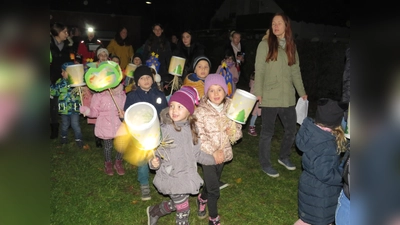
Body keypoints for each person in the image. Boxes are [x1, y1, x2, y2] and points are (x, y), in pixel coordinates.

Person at [146, 86, 224, 225]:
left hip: (186, 176)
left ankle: (155, 211)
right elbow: (154, 153)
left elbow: (197, 154)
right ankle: (158, 212)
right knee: (183, 209)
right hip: (172, 176)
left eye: (180, 107)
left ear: (189, 111)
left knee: (178, 204)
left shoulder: (193, 129)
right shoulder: (164, 130)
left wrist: (213, 160)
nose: (174, 110)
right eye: (172, 106)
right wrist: (153, 163)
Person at [254, 12, 307, 177]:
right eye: (273, 23)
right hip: (270, 95)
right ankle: (265, 163)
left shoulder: (291, 46)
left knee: (291, 130)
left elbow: (295, 71)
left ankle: (284, 157)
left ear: (286, 26)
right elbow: (260, 69)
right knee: (267, 132)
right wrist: (259, 92)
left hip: (288, 97)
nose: (275, 26)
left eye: (279, 23)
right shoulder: (265, 45)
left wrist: (302, 93)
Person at [194, 74, 243, 225]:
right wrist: (213, 152)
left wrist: (233, 132)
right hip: (207, 156)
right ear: (206, 93)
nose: (216, 94)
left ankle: (202, 199)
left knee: (211, 184)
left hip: (224, 154)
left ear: (225, 91)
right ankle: (213, 218)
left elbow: (239, 131)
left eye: (219, 90)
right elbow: (198, 136)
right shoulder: (200, 112)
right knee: (214, 189)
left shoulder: (232, 108)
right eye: (212, 90)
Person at [294, 98, 348, 225]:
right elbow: (325, 174)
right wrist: (343, 176)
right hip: (321, 192)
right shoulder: (327, 145)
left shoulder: (311, 132)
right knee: (320, 221)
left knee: (306, 220)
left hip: (309, 185)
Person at [123, 65, 168, 201]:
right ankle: (144, 183)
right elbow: (128, 115)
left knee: (161, 157)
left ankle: (164, 180)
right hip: (140, 135)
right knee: (143, 159)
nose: (146, 80)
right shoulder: (132, 97)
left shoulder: (159, 95)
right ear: (137, 82)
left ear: (153, 79)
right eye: (142, 78)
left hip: (157, 132)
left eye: (148, 77)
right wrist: (123, 116)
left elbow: (165, 112)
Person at [79, 84, 126, 176]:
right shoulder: (99, 95)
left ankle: (118, 161)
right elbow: (95, 111)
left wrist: (124, 114)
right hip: (105, 124)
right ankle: (108, 163)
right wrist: (87, 111)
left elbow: (125, 108)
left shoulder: (121, 95)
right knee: (108, 145)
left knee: (122, 144)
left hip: (119, 123)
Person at [50, 62, 84, 148]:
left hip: (74, 108)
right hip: (64, 108)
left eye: (63, 71)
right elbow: (55, 92)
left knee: (75, 124)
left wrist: (81, 90)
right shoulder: (60, 82)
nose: (61, 73)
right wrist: (50, 87)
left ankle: (79, 139)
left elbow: (82, 93)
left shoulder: (77, 82)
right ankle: (63, 139)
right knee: (64, 124)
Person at [81, 48, 110, 148]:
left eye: (105, 55)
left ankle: (105, 135)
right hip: (95, 93)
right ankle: (97, 138)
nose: (103, 57)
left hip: (106, 93)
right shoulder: (93, 66)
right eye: (101, 55)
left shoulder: (110, 67)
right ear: (98, 56)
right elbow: (88, 77)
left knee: (104, 115)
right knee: (96, 115)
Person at [50, 22, 75, 139]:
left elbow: (69, 63)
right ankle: (52, 126)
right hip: (49, 77)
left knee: (60, 102)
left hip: (62, 79)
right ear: (57, 32)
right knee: (50, 104)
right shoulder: (49, 44)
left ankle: (61, 125)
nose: (67, 34)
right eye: (64, 32)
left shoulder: (67, 46)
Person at [142, 23, 172, 94]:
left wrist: (169, 73)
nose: (157, 31)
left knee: (162, 91)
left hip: (163, 71)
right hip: (152, 70)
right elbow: (144, 55)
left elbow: (169, 57)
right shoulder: (149, 42)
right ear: (153, 31)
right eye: (156, 29)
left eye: (159, 29)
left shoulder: (166, 43)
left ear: (162, 30)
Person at [248, 71, 261, 136]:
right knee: (254, 114)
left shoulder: (256, 83)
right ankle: (251, 127)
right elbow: (253, 93)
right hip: (255, 102)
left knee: (257, 114)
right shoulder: (254, 84)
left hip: (259, 102)